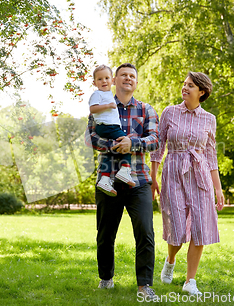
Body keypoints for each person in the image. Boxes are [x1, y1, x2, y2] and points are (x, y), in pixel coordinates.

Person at [85, 63, 159, 298]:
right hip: (108, 180)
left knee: (145, 232)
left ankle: (144, 285)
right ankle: (106, 279)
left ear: (136, 82)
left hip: (139, 180)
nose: (128, 78)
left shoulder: (147, 110)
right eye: (123, 75)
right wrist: (115, 145)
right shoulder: (100, 107)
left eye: (132, 76)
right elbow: (91, 137)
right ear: (114, 80)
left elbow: (155, 140)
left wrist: (133, 143)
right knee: (105, 234)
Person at [150, 72, 225, 296]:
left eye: (190, 85)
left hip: (200, 174)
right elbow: (158, 147)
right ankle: (171, 259)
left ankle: (189, 281)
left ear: (201, 92)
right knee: (177, 230)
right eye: (184, 84)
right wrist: (153, 177)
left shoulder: (209, 119)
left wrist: (218, 188)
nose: (185, 88)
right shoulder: (169, 112)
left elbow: (211, 155)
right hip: (173, 172)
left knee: (200, 228)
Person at [88, 64, 136, 196]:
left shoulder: (107, 93)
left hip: (109, 127)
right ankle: (125, 170)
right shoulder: (97, 94)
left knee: (110, 152)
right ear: (94, 82)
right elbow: (92, 109)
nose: (104, 81)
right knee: (126, 142)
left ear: (112, 80)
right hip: (107, 126)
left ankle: (104, 178)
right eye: (100, 79)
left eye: (107, 78)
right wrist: (108, 105)